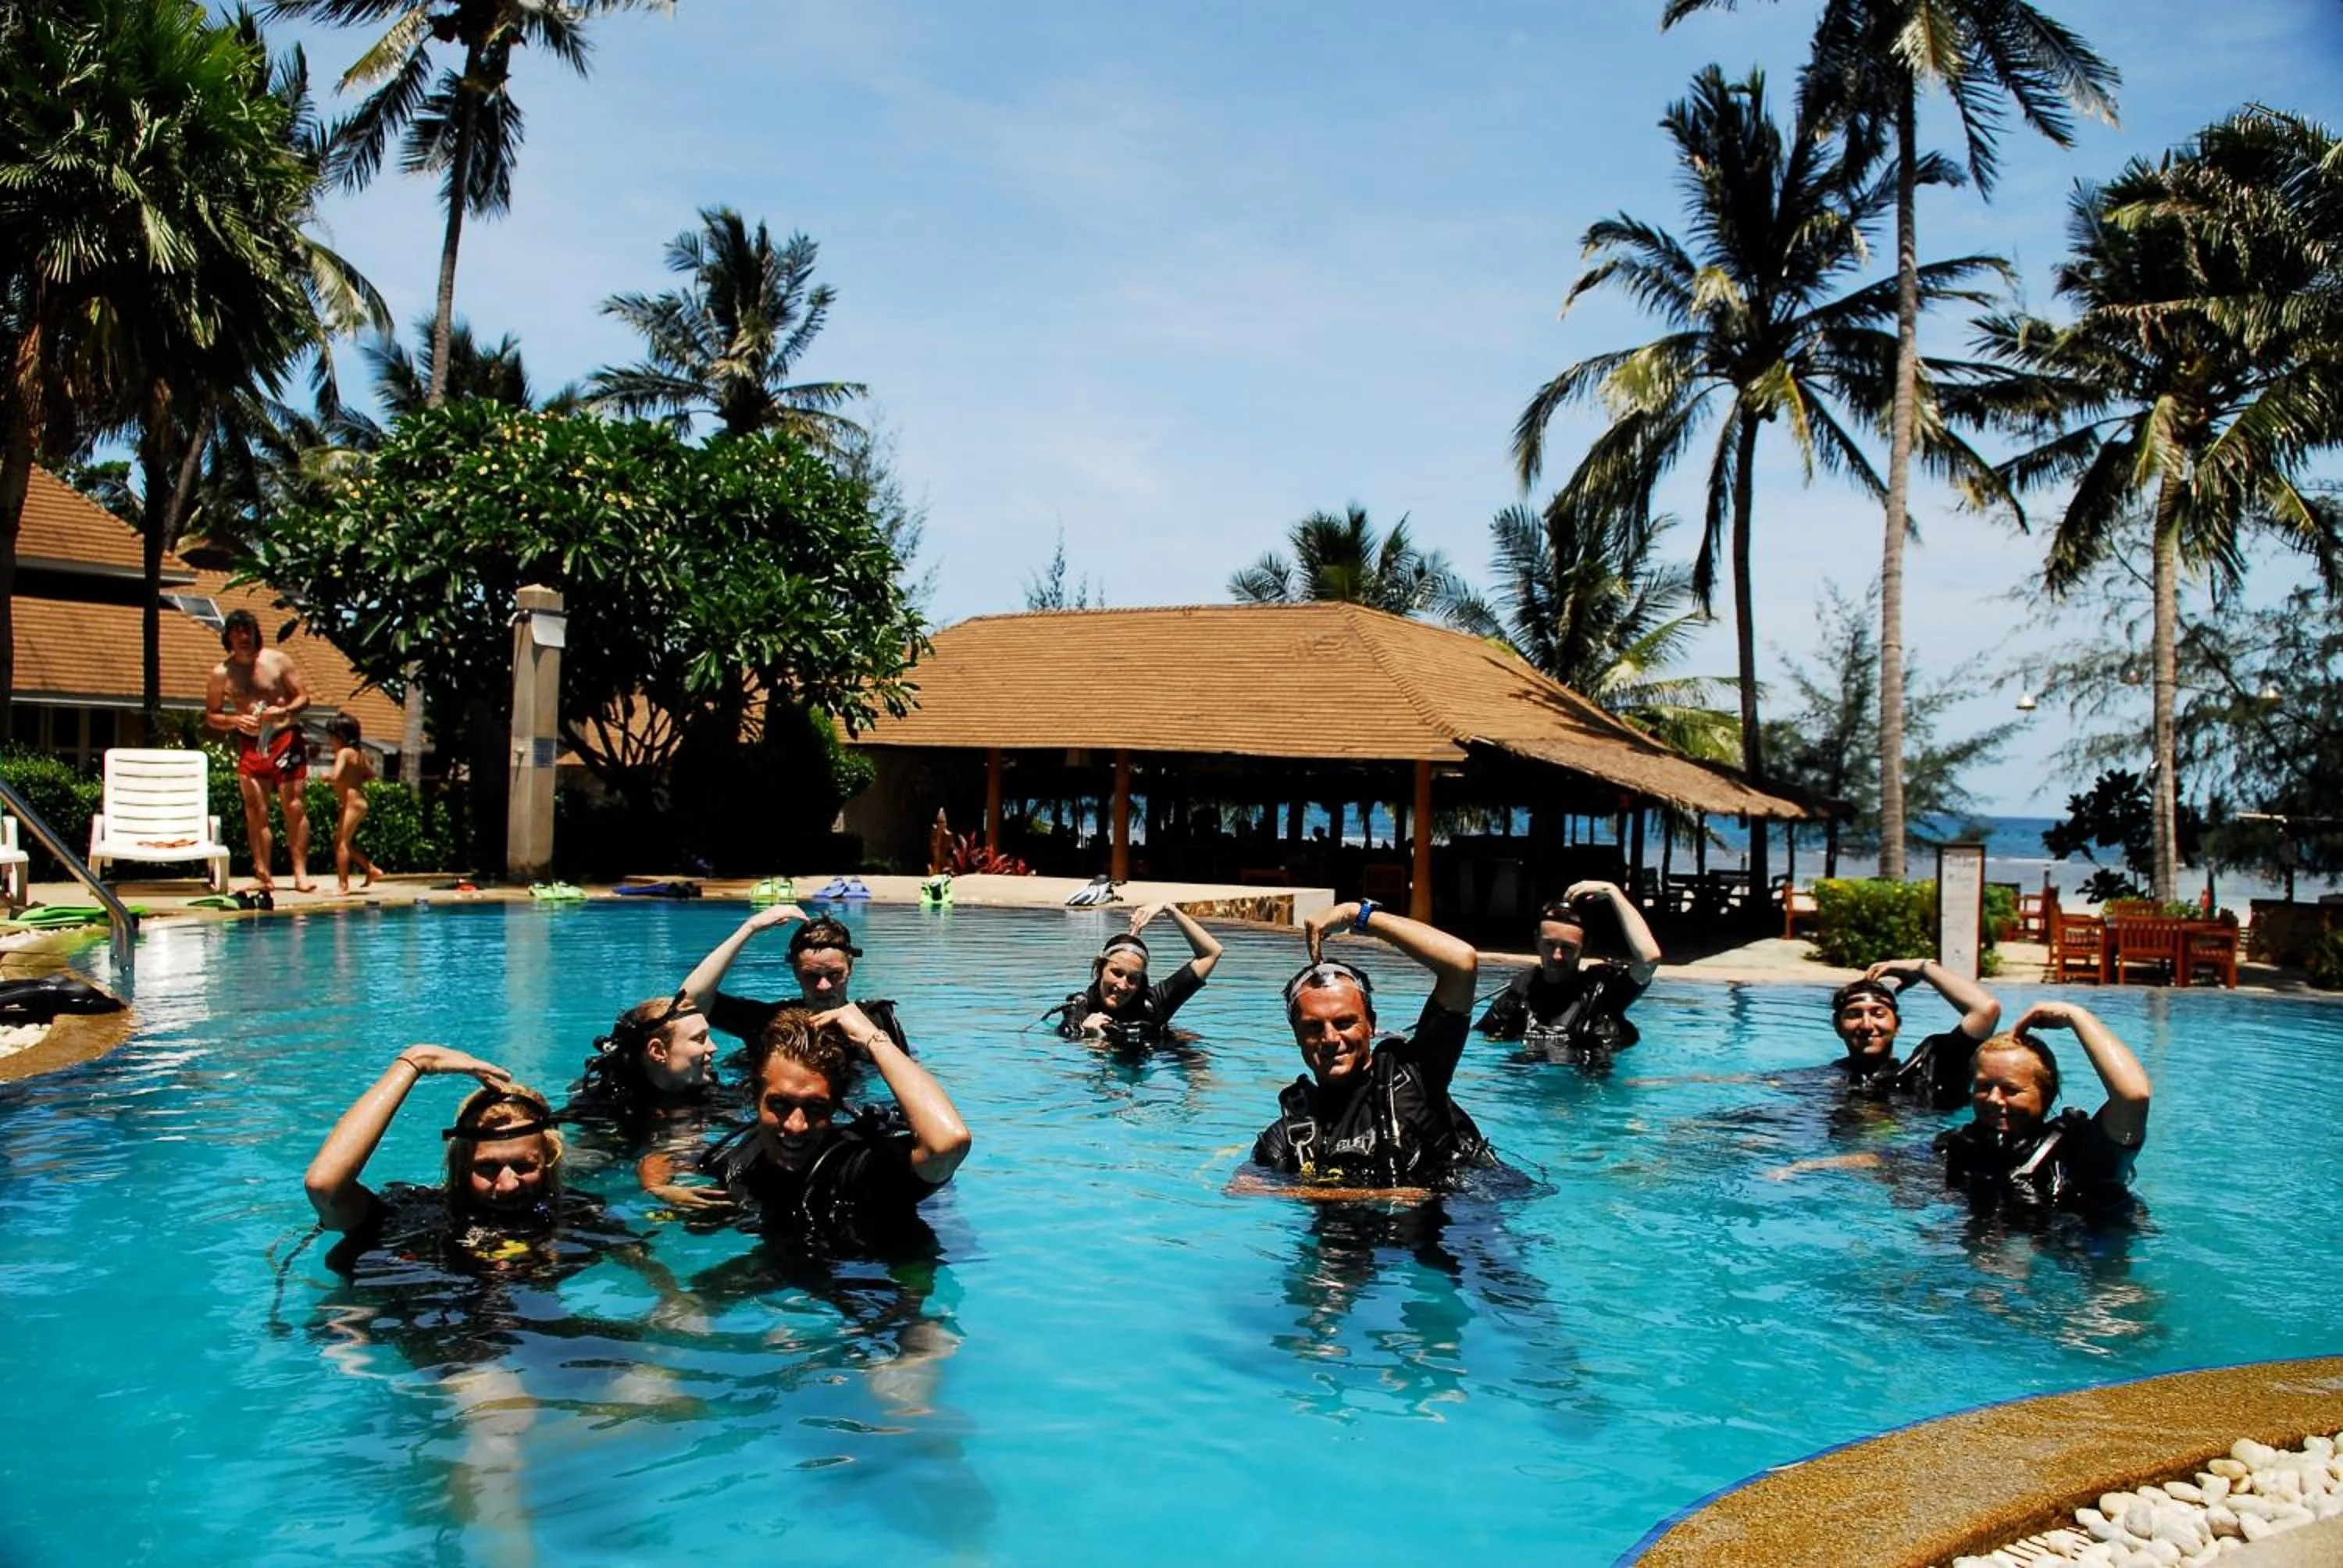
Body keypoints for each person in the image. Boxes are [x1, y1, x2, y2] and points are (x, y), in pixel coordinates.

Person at [1246, 899, 1495, 1196]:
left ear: (1371, 1025)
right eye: (1314, 1026)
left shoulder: (1416, 1078)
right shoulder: (1289, 1135)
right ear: (1296, 1035)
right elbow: (1244, 1188)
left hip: (1458, 1231)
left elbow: (1461, 963)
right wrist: (1374, 1197)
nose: (1330, 1039)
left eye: (1344, 1023)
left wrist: (1358, 915)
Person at [705, 1003, 970, 1253]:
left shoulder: (854, 1167)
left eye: (815, 1107)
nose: (796, 1126)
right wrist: (663, 1187)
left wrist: (874, 1039)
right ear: (754, 1097)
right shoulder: (746, 1153)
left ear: (835, 1107)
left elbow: (948, 1143)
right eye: (780, 1104)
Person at [1935, 1000, 2150, 1222]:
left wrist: (2075, 1017)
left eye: (2011, 1089)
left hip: (2075, 1248)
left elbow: (2134, 1097)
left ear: (2047, 1093)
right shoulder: (1957, 1145)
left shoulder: (2081, 1152)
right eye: (1983, 1086)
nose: (1993, 1099)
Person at [567, 991, 729, 1207]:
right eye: (699, 1039)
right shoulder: (606, 1106)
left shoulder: (715, 1093)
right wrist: (657, 1187)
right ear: (658, 1051)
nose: (713, 1047)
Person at [683, 903, 911, 1053]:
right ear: (795, 973)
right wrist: (749, 928)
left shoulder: (877, 1021)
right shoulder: (768, 1021)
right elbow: (689, 1002)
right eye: (811, 976)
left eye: (834, 974)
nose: (823, 986)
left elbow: (910, 1078)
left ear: (849, 969)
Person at [1474, 881, 1661, 1061]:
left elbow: (1649, 959)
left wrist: (1613, 893)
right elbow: (1476, 1043)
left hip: (1584, 1087)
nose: (1557, 956)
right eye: (1549, 945)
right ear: (1537, 942)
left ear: (1585, 947)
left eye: (1568, 948)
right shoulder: (1518, 996)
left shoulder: (1603, 995)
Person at [205, 607, 315, 894]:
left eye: (248, 631)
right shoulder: (222, 674)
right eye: (237, 632)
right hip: (251, 743)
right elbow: (211, 715)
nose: (243, 637)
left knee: (294, 806)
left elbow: (304, 697)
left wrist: (284, 709)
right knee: (255, 811)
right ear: (228, 636)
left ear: (256, 633)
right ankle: (263, 873)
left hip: (284, 738)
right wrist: (235, 720)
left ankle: (300, 872)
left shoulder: (277, 660)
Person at [1828, 955, 2002, 1110]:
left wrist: (1922, 968)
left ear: (1897, 1026)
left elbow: (1985, 1010)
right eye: (1854, 1015)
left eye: (1878, 1014)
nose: (1866, 1025)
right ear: (1838, 1026)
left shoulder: (1932, 1069)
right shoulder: (1824, 1079)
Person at [1053, 900, 1224, 1043]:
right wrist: (1088, 1035)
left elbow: (1211, 953)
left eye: (1133, 978)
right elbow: (1065, 1033)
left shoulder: (1155, 1003)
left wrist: (1169, 908)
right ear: (1100, 969)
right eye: (1117, 973)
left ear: (1141, 981)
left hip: (1165, 1053)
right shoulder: (1081, 1007)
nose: (1122, 985)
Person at [323, 715, 380, 895]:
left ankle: (343, 885)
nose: (329, 741)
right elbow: (371, 775)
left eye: (331, 737)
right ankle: (371, 869)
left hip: (352, 804)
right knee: (340, 841)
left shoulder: (344, 753)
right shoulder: (360, 754)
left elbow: (336, 775)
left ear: (340, 737)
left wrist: (326, 777)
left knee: (341, 844)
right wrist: (355, 778)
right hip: (358, 802)